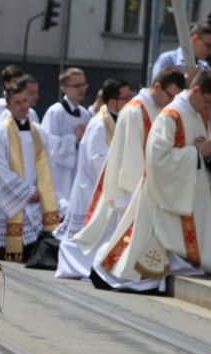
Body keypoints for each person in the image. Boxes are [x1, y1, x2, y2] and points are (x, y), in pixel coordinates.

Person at [90, 69, 211, 292]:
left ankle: (182, 262)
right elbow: (157, 159)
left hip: (189, 192)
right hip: (164, 193)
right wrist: (194, 153)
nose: (209, 109)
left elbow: (207, 149)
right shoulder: (170, 115)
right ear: (197, 90)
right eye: (208, 102)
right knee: (149, 248)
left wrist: (208, 153)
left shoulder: (200, 114)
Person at [71, 68, 185, 283]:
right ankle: (111, 271)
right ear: (158, 87)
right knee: (123, 238)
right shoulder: (135, 111)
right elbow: (132, 159)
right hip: (133, 189)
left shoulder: (156, 109)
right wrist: (141, 190)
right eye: (170, 95)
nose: (171, 101)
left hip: (148, 187)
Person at [54, 77, 134, 279]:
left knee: (102, 236)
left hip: (108, 190)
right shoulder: (99, 124)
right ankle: (76, 265)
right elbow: (97, 161)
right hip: (92, 191)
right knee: (90, 238)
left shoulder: (118, 121)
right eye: (126, 98)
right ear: (113, 102)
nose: (131, 101)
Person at [0, 79, 60, 262]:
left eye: (25, 101)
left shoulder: (40, 132)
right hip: (11, 201)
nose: (23, 106)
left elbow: (49, 165)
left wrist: (42, 190)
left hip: (36, 198)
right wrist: (26, 192)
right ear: (8, 106)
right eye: (17, 102)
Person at [151, 21, 211, 144]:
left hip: (194, 130)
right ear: (194, 39)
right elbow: (157, 94)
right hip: (168, 128)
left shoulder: (205, 68)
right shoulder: (167, 60)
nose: (210, 51)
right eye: (208, 46)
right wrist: (186, 81)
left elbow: (210, 104)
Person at [42, 67, 93, 219]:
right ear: (64, 88)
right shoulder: (55, 112)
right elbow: (49, 148)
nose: (82, 89)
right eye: (77, 85)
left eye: (84, 84)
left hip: (78, 173)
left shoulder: (85, 114)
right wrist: (73, 138)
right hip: (59, 176)